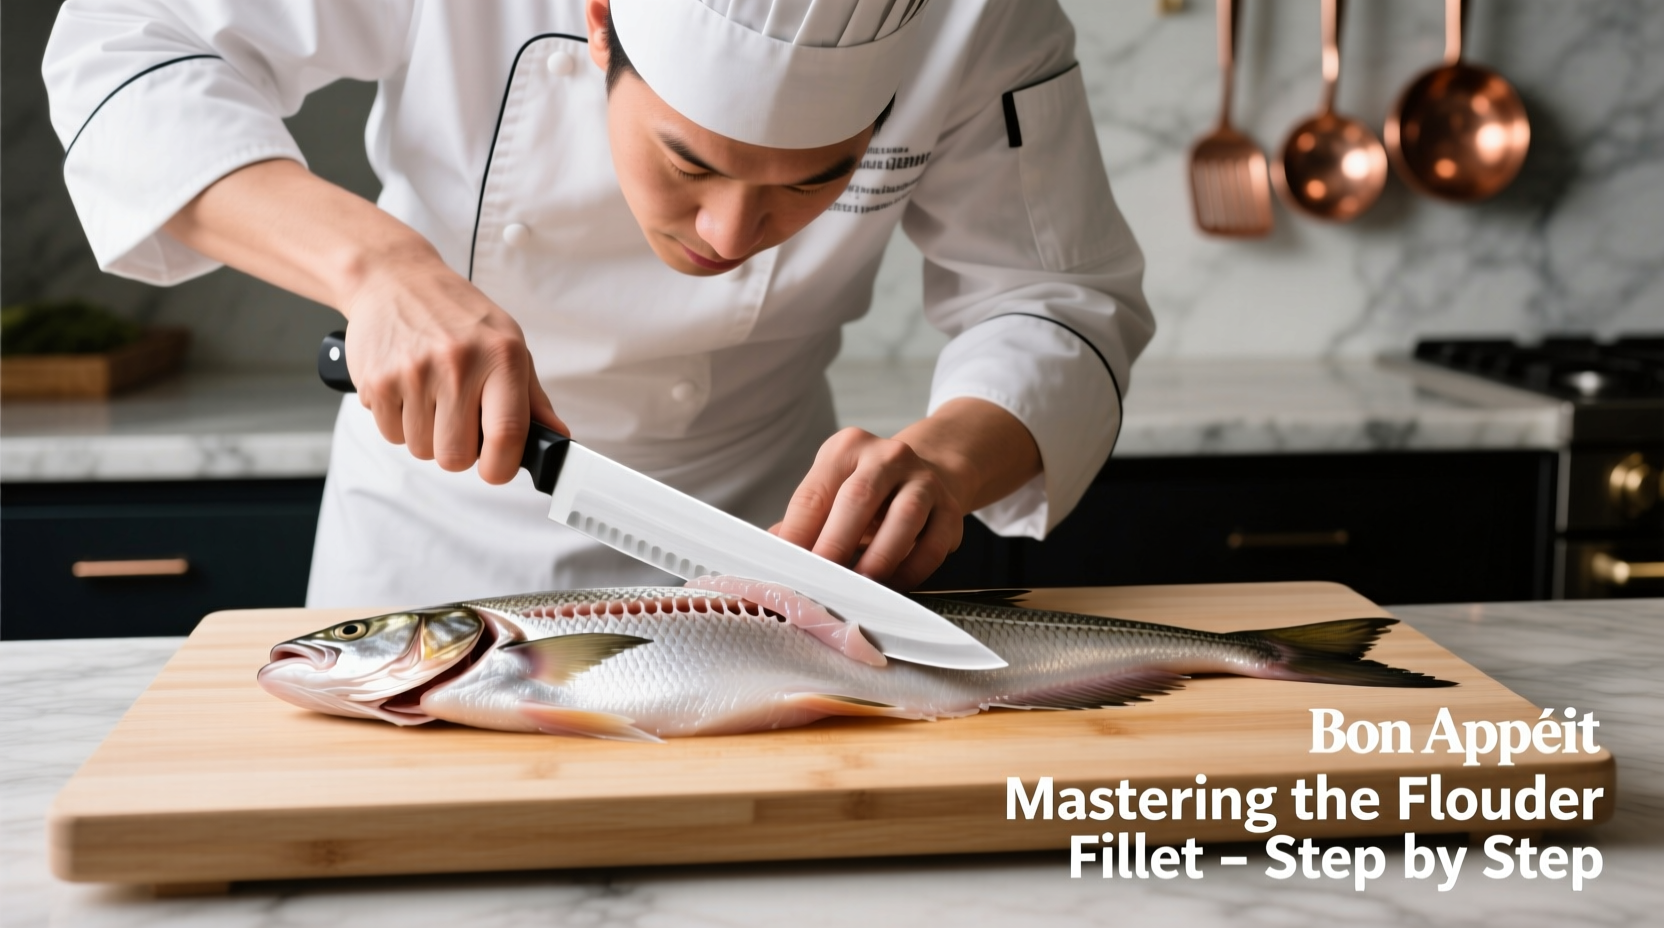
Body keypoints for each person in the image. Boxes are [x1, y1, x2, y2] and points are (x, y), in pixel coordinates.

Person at [43, 0, 1153, 606]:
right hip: (429, 552)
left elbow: (1055, 295)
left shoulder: (975, 21)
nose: (726, 234)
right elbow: (124, 48)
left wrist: (947, 462)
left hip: (758, 557)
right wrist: (377, 267)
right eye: (686, 161)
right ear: (601, 23)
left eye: (813, 180)